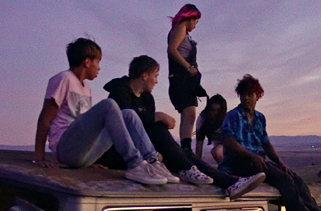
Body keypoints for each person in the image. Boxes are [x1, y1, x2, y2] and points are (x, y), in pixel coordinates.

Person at [103, 55, 266, 198]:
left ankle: (230, 182)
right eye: (155, 76)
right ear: (145, 76)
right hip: (125, 155)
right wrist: (158, 116)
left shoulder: (147, 98)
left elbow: (144, 130)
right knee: (158, 127)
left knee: (184, 152)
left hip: (148, 154)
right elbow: (126, 124)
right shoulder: (119, 93)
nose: (157, 80)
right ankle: (188, 169)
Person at [218, 75, 321, 211]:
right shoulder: (232, 116)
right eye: (243, 95)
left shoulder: (260, 118)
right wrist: (251, 155)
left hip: (257, 161)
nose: (246, 98)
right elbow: (228, 141)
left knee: (296, 179)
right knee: (282, 179)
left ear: (257, 96)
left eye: (249, 95)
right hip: (238, 162)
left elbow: (266, 143)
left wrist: (280, 163)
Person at [33, 38, 173, 185]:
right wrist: (39, 156)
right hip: (65, 149)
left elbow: (88, 129)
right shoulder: (63, 79)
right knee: (109, 105)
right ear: (87, 62)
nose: (99, 67)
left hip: (81, 155)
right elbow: (45, 119)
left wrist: (90, 160)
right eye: (97, 62)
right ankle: (135, 164)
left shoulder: (86, 87)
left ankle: (152, 162)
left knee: (128, 114)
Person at [167, 3, 207, 153]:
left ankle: (186, 148)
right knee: (189, 111)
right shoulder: (181, 26)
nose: (196, 25)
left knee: (189, 112)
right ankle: (186, 150)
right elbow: (172, 49)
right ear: (189, 17)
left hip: (184, 79)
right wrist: (189, 67)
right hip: (180, 78)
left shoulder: (185, 32)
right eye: (196, 21)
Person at [195, 94, 227, 163]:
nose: (215, 113)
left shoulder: (228, 119)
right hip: (220, 149)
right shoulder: (202, 119)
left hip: (232, 146)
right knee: (216, 152)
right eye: (213, 110)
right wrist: (198, 164)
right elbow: (199, 143)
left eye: (218, 110)